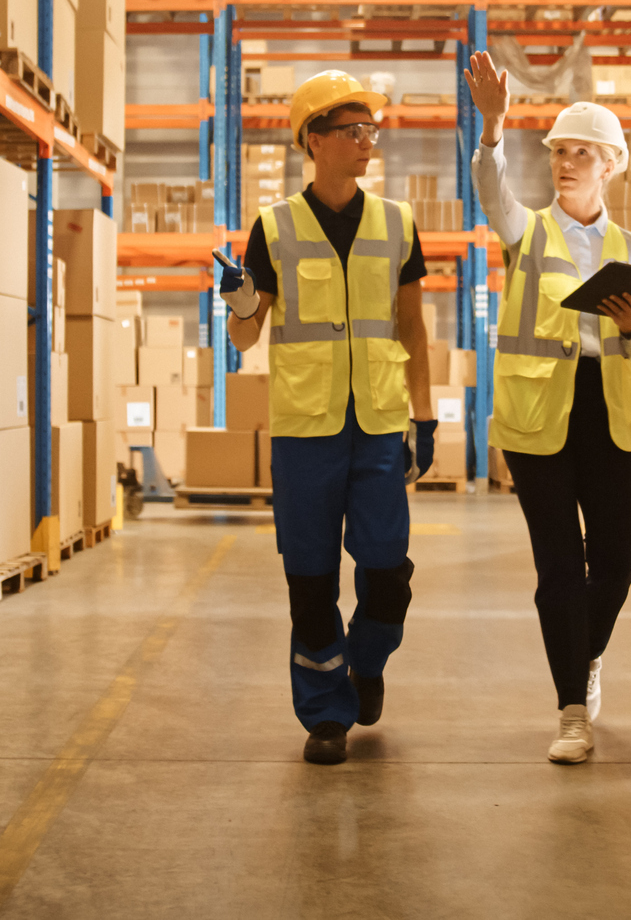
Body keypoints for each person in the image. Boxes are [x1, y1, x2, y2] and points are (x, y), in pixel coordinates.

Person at [218, 70, 440, 766]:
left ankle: (366, 661)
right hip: (304, 431)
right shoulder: (273, 227)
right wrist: (241, 299)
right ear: (313, 141)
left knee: (388, 572)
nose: (365, 142)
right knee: (310, 579)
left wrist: (425, 418)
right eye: (352, 131)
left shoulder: (397, 223)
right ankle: (325, 714)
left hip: (376, 425)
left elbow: (412, 327)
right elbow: (247, 338)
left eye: (370, 130)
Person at [464, 51, 631, 765]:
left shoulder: (629, 248)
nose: (565, 163)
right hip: (538, 423)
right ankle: (572, 710)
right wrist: (491, 128)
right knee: (557, 573)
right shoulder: (527, 231)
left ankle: (586, 653)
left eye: (580, 153)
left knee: (614, 566)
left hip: (608, 418)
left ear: (609, 164)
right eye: (558, 152)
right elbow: (492, 192)